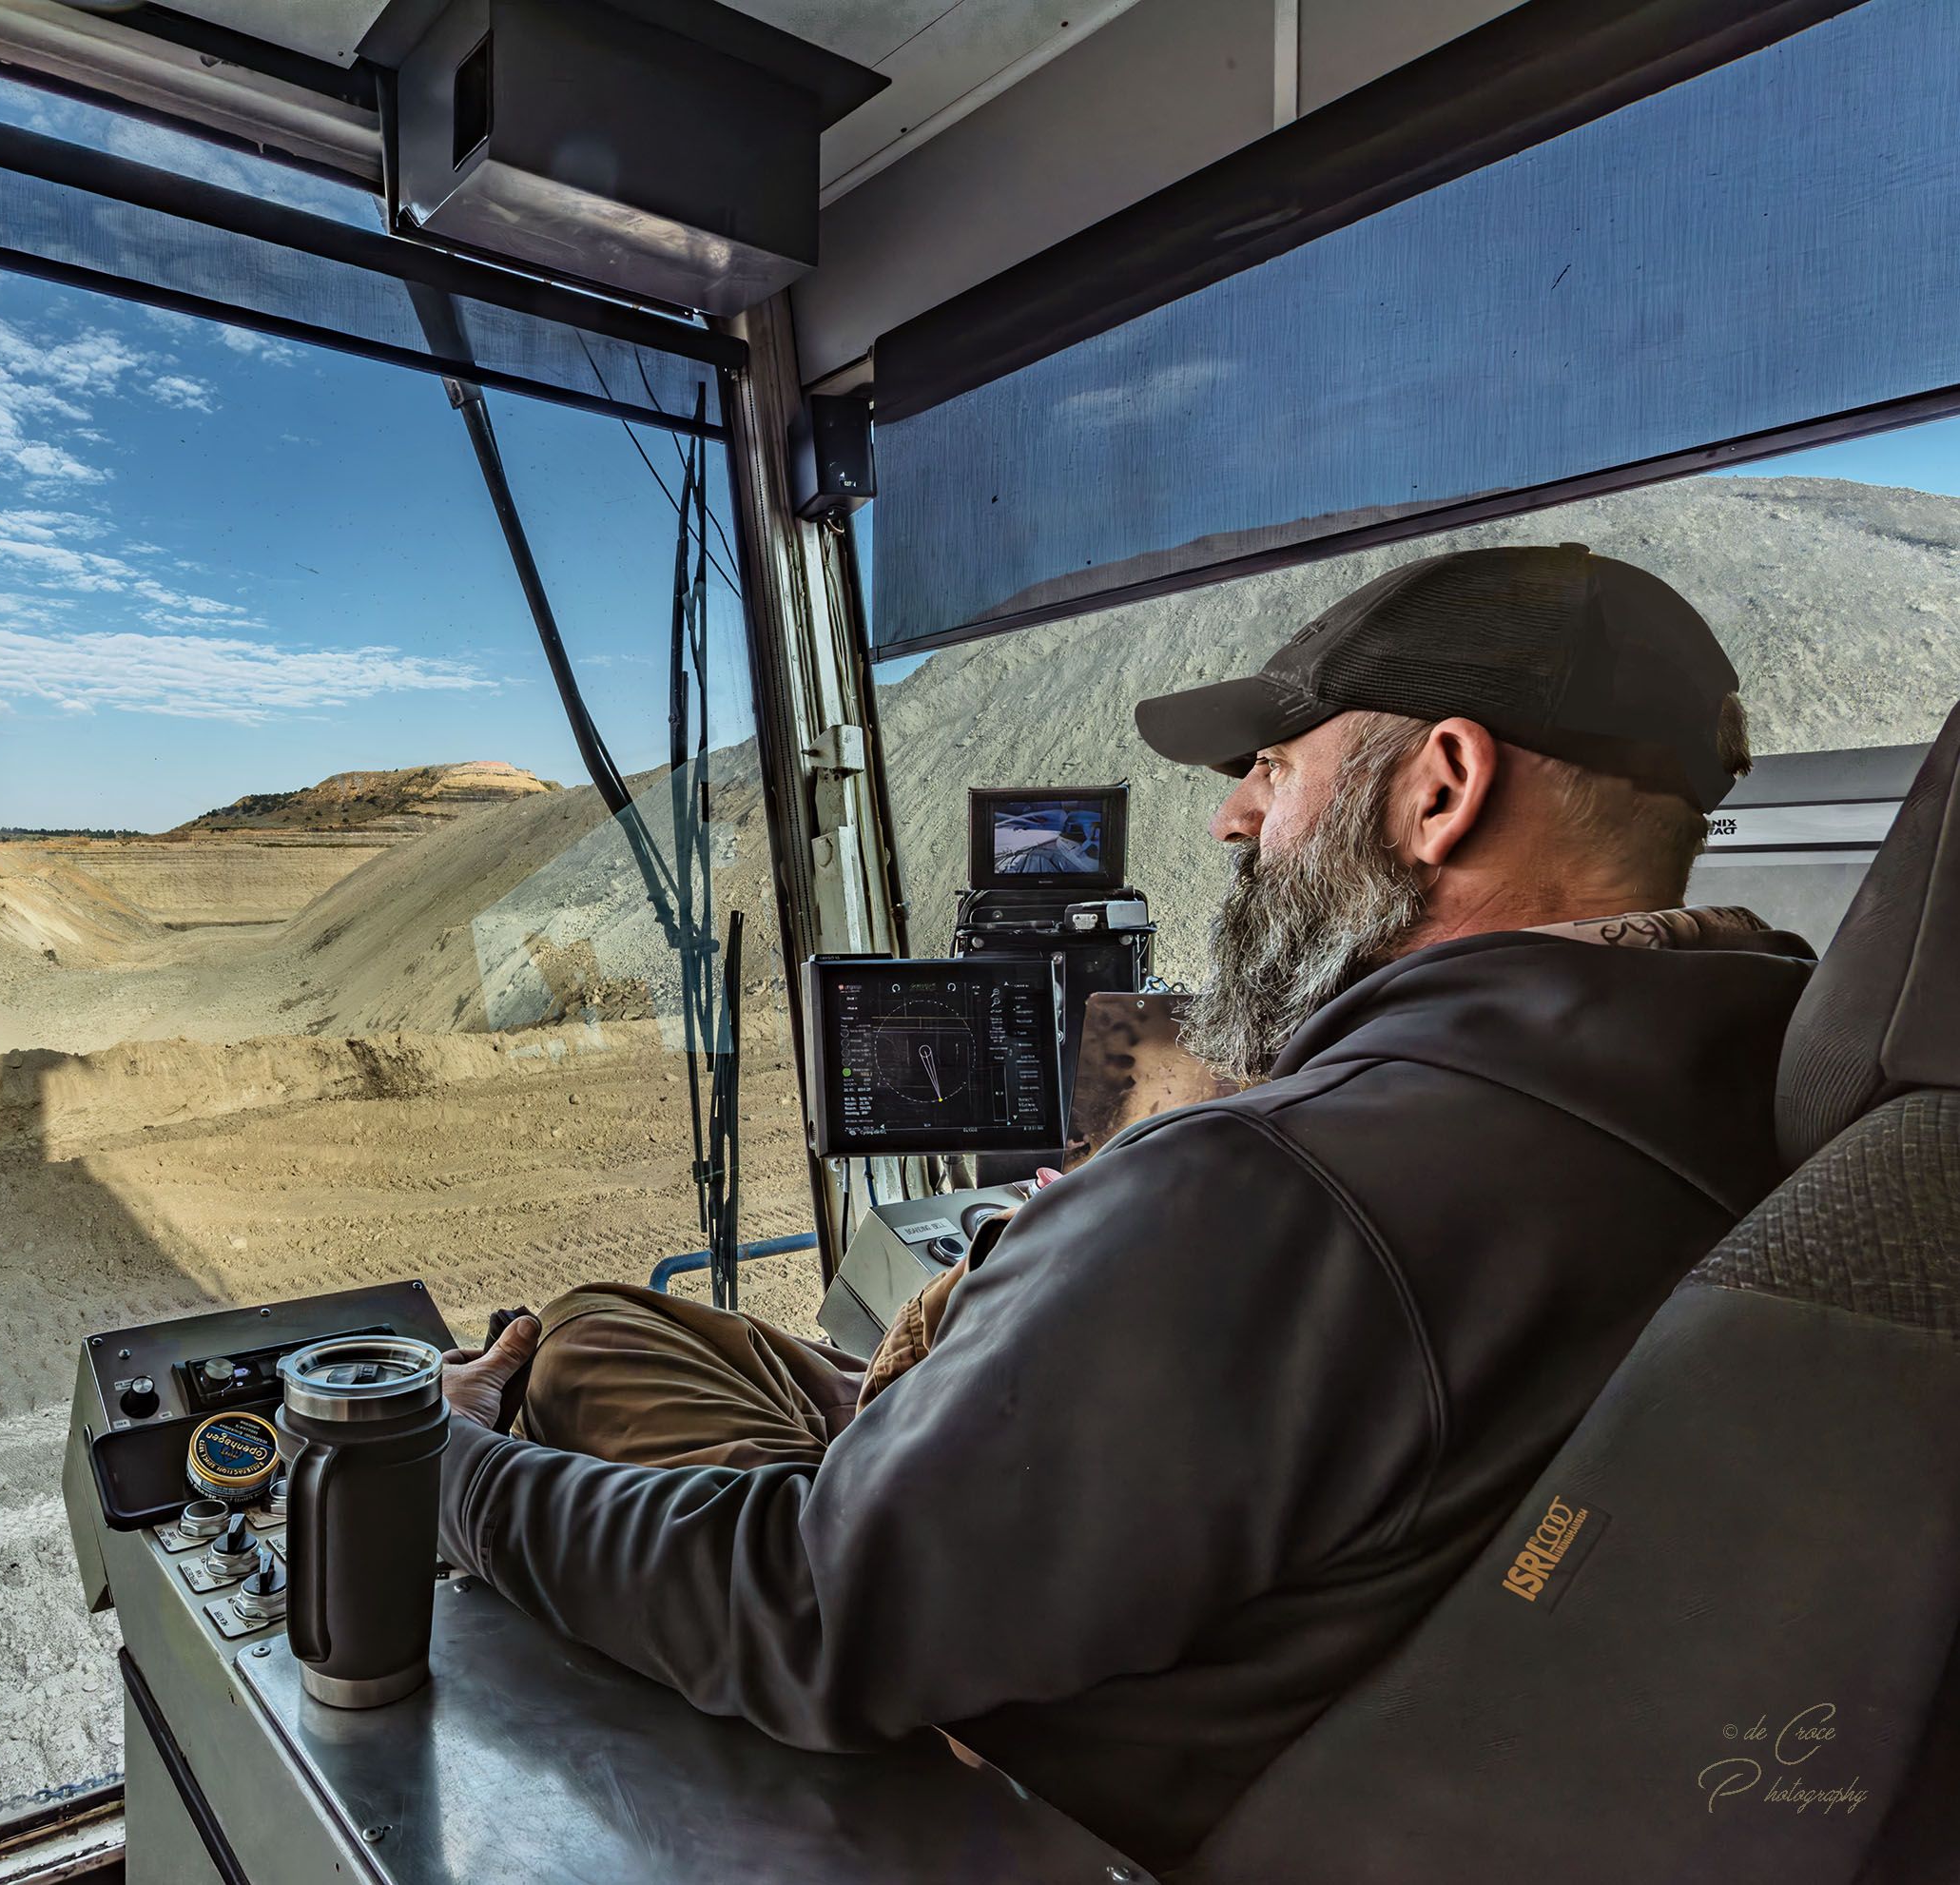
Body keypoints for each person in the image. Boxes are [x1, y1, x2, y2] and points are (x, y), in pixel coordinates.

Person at [435, 543, 1814, 1873]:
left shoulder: (1278, 1185)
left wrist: (444, 1473)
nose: (1230, 818)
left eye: (1271, 769)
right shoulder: (1751, 1107)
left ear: (1437, 790)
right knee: (626, 1321)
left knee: (569, 1351)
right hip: (1267, 1618)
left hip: (1010, 1744)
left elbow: (808, 1613)